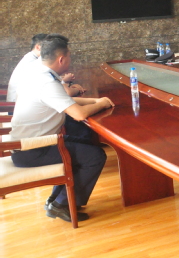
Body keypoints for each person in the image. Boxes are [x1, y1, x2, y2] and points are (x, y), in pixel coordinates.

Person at [10, 34, 114, 223]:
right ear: (61, 59)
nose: (70, 60)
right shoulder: (46, 82)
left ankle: (56, 200)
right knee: (95, 156)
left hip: (32, 144)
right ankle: (61, 204)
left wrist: (96, 101)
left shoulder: (38, 72)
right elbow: (79, 114)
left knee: (87, 144)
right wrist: (101, 104)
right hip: (33, 150)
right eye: (69, 56)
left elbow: (64, 100)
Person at [8, 34, 85, 101]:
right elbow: (67, 93)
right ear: (38, 47)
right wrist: (76, 89)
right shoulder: (34, 63)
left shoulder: (34, 60)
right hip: (13, 105)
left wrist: (64, 82)